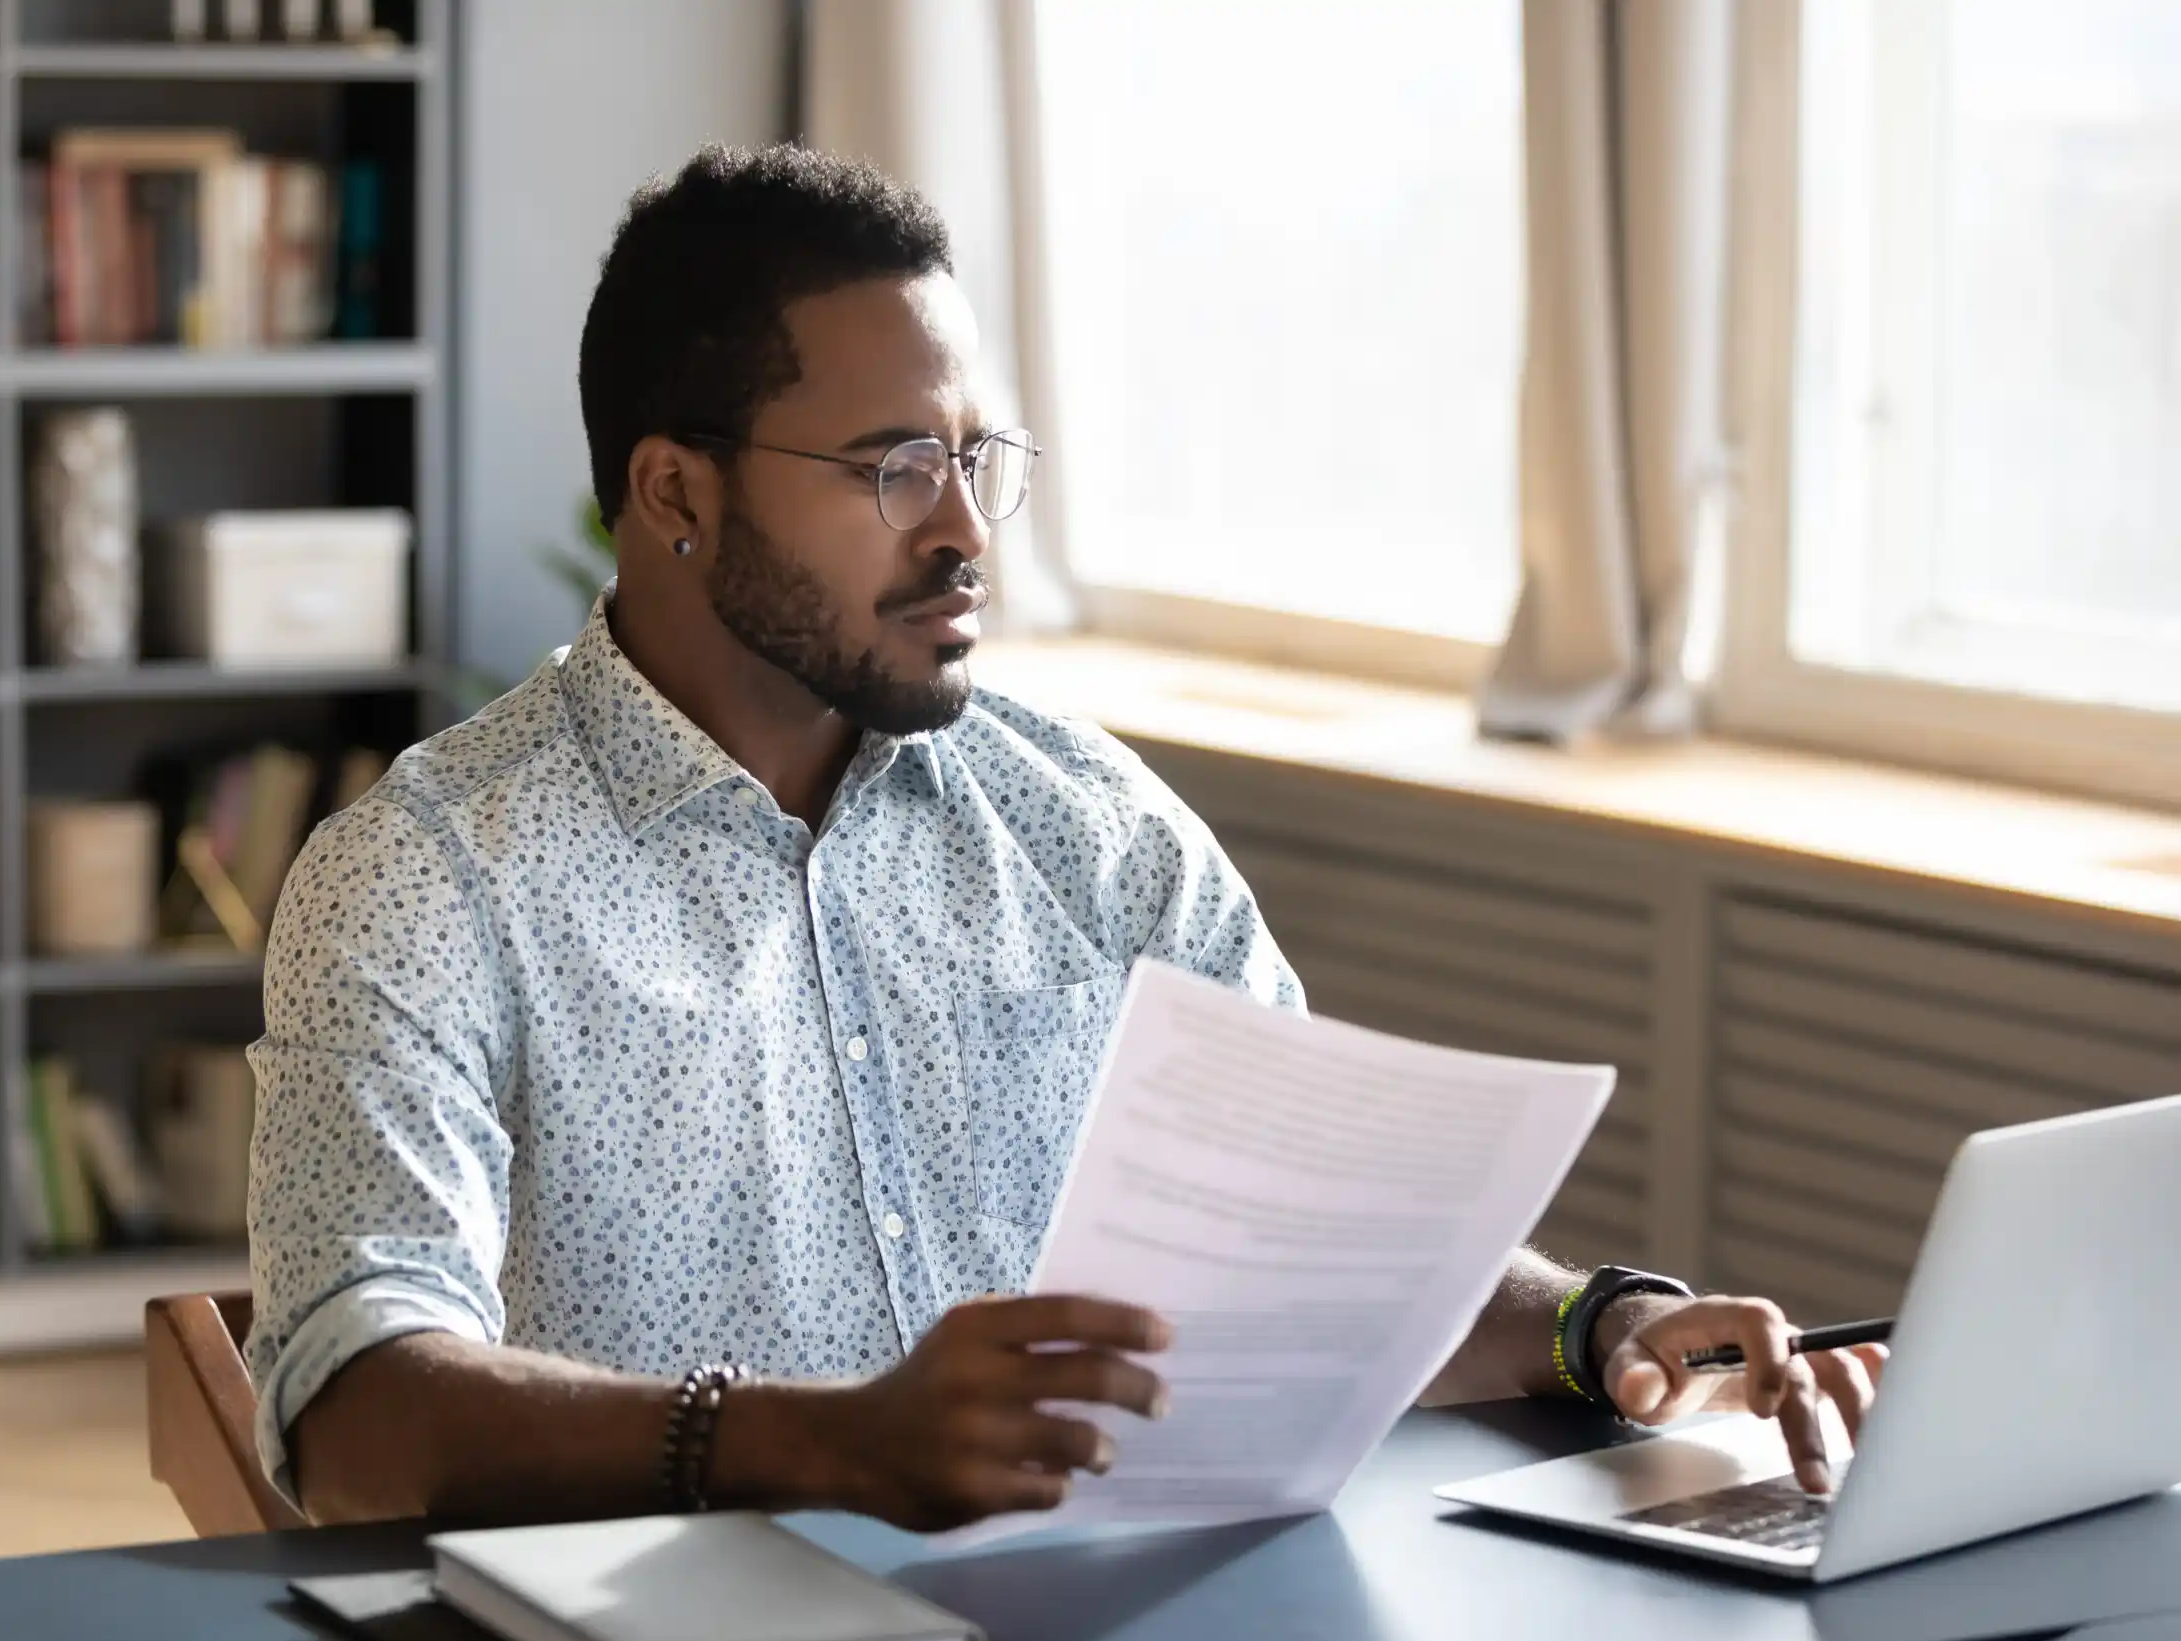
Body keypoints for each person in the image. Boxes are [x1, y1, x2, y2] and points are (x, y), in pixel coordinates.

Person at [243, 144, 1884, 1532]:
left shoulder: (1089, 829)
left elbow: (1329, 1245)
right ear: (676, 492)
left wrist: (1607, 1326)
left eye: (973, 459)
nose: (964, 533)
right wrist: (823, 1440)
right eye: (893, 468)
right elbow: (358, 1412)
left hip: (1113, 1639)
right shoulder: (426, 881)